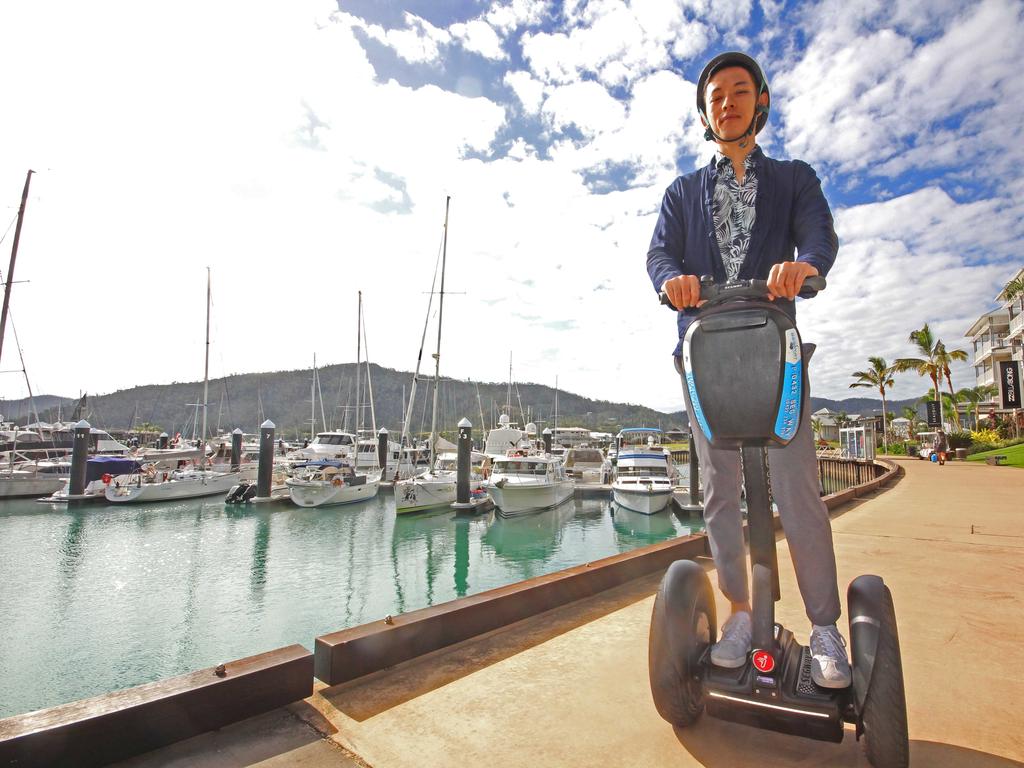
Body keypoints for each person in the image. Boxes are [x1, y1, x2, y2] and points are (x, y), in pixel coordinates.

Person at [646, 52, 850, 688]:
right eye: (716, 97)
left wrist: (804, 267)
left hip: (774, 349)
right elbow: (659, 254)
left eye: (739, 92)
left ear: (760, 102)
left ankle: (823, 628)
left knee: (798, 489)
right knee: (716, 487)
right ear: (707, 114)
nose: (727, 103)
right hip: (706, 354)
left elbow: (819, 236)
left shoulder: (793, 178)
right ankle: (738, 614)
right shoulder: (682, 193)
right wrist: (671, 282)